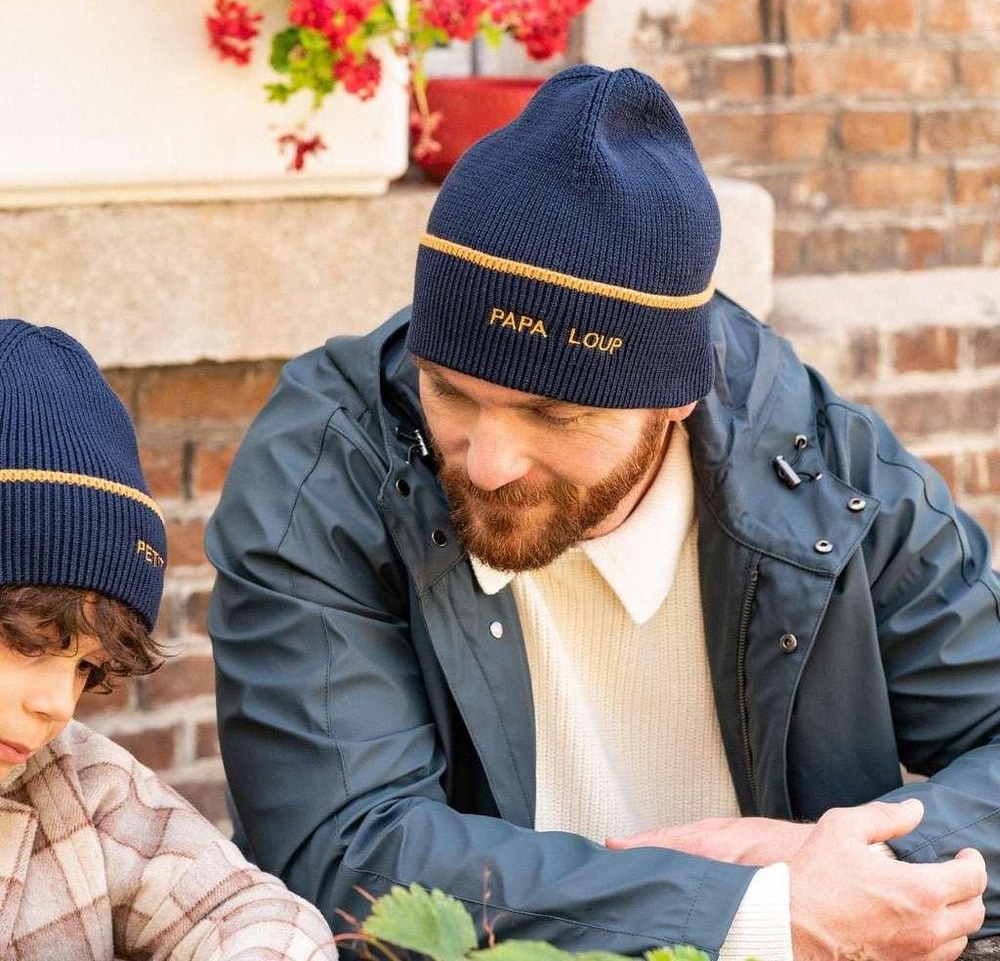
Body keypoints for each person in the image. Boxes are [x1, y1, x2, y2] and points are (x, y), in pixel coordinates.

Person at [205, 65, 998, 961]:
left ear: (676, 400)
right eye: (449, 391)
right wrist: (759, 914)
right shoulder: (328, 467)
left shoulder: (826, 472)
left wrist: (877, 876)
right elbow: (343, 849)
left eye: (554, 413)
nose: (491, 460)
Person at [0, 319, 339, 961]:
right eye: (29, 641)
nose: (59, 705)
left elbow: (243, 910)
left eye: (84, 667)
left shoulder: (82, 786)